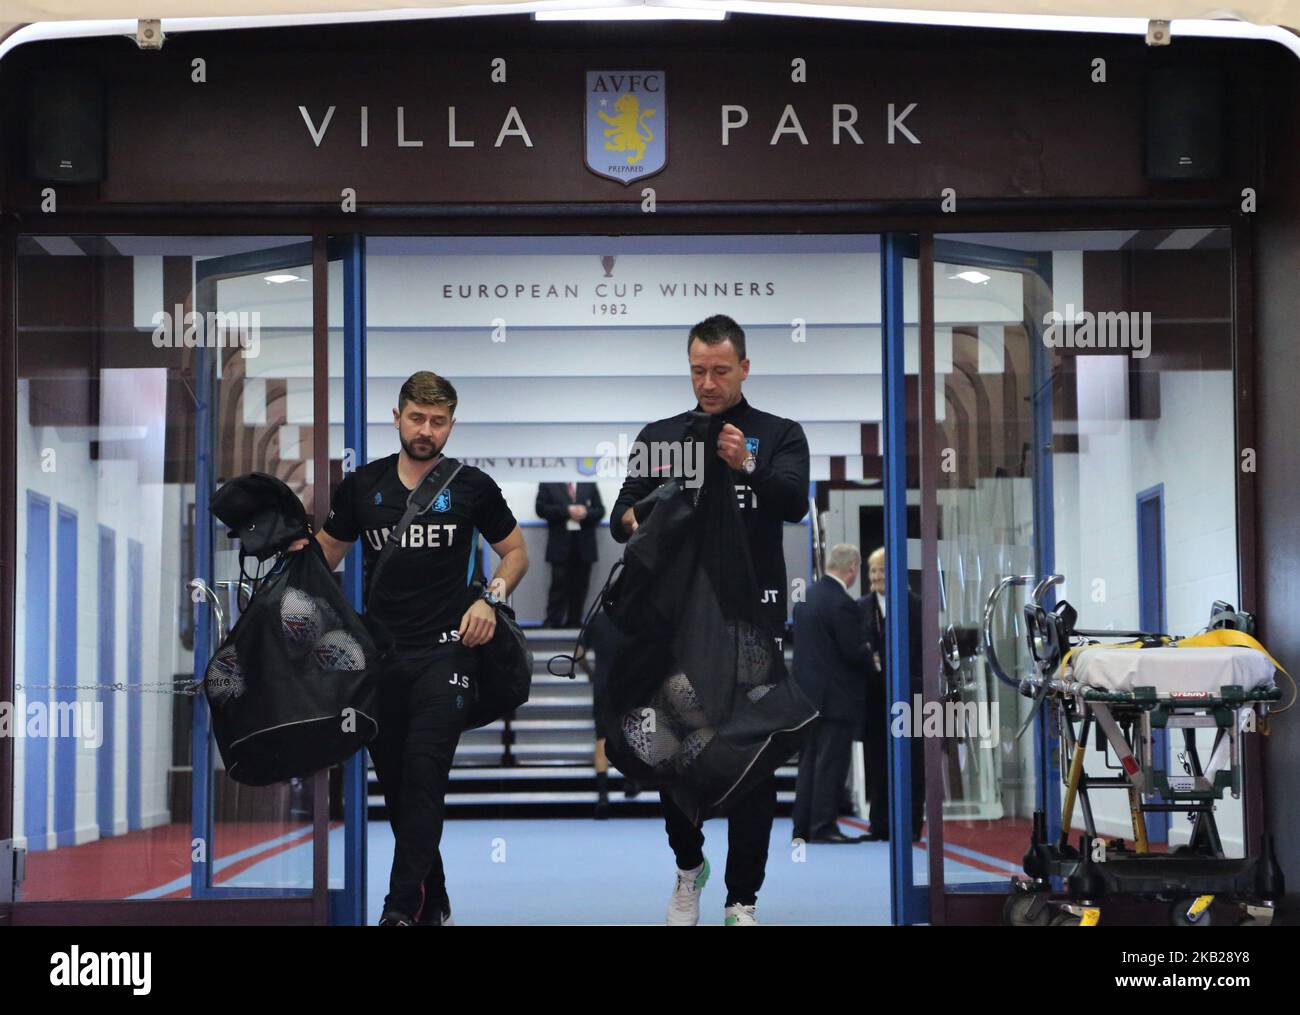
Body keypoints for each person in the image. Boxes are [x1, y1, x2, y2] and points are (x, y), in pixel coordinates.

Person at [308, 370, 528, 925]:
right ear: (397, 416)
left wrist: (490, 600)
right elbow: (323, 557)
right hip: (381, 660)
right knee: (402, 792)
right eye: (417, 418)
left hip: (448, 654)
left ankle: (400, 911)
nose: (426, 430)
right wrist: (282, 591)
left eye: (438, 421)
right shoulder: (363, 487)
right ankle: (437, 901)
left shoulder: (473, 486)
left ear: (452, 424)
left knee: (426, 774)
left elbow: (516, 552)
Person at [611, 313, 810, 926]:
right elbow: (621, 514)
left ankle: (741, 898)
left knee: (753, 762)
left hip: (753, 624)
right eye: (698, 370)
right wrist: (642, 517)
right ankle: (687, 866)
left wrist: (746, 464)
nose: (708, 382)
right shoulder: (661, 434)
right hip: (674, 625)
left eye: (720, 370)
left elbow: (795, 501)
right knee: (672, 751)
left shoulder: (778, 434)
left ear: (745, 368)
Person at [791, 543, 871, 845]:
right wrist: (871, 659)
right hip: (836, 698)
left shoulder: (805, 598)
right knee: (830, 765)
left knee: (809, 762)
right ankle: (823, 826)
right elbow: (853, 651)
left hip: (806, 698)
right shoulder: (843, 603)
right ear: (852, 567)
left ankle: (802, 827)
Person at [858, 546, 925, 842]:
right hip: (874, 698)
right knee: (877, 760)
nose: (876, 576)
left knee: (912, 761)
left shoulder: (916, 605)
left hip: (909, 696)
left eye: (882, 570)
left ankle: (910, 826)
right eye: (873, 570)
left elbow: (924, 651)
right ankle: (880, 824)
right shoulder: (861, 607)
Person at [577, 607, 638, 819]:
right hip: (628, 683)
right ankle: (631, 780)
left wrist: (590, 673)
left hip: (602, 684)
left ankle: (603, 795)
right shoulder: (634, 618)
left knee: (601, 738)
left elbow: (578, 654)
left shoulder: (597, 621)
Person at [535, 481, 605, 627]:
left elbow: (600, 510)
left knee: (581, 585)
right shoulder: (549, 482)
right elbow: (541, 509)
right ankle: (553, 621)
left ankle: (574, 621)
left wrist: (586, 512)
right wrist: (566, 511)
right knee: (558, 584)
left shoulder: (588, 482)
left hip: (584, 545)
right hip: (560, 544)